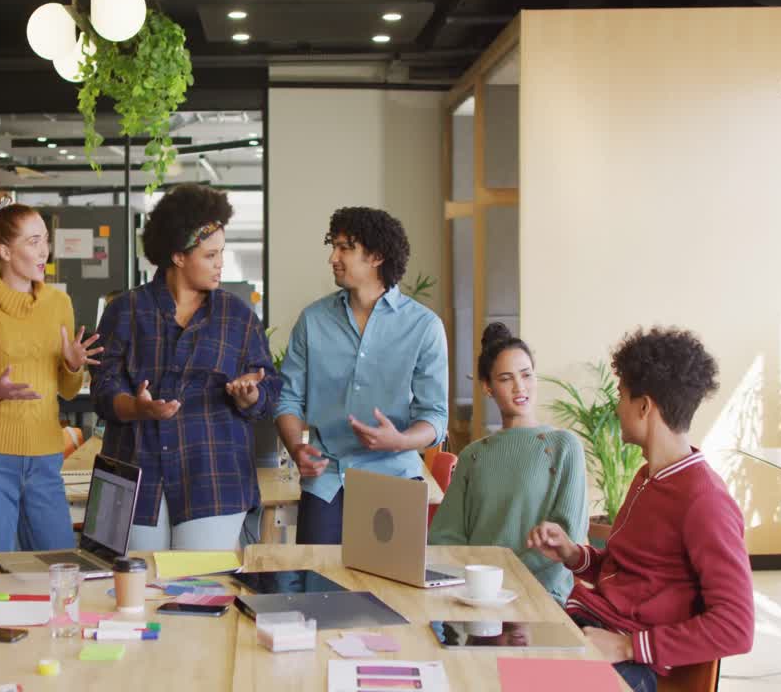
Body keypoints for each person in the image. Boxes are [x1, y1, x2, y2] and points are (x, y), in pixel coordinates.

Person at [526, 327, 754, 692]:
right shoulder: (648, 476)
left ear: (644, 406)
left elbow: (737, 627)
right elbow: (634, 571)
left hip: (633, 663)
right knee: (479, 653)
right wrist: (572, 553)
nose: (616, 408)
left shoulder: (705, 501)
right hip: (591, 624)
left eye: (620, 396)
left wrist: (627, 645)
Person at [92, 184, 280, 550]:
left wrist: (250, 395)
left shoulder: (237, 316)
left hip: (213, 478)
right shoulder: (125, 311)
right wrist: (137, 408)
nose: (220, 263)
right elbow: (102, 390)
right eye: (210, 255)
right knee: (137, 592)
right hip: (137, 475)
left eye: (222, 253)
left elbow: (269, 388)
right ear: (178, 255)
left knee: (202, 592)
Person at [0, 192, 101, 562]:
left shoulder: (59, 304)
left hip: (46, 455)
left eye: (45, 239)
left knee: (60, 566)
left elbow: (65, 390)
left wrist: (74, 367)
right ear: (5, 252)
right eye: (33, 241)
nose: (44, 250)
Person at [274, 206, 448, 544]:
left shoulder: (424, 327)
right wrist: (296, 447)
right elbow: (288, 398)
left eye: (345, 248)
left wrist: (401, 441)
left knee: (391, 593)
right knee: (318, 589)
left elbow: (434, 416)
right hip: (326, 481)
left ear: (377, 256)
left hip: (395, 478)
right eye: (333, 246)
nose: (333, 258)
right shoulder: (313, 320)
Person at [428, 322, 587, 604]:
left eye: (526, 375)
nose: (519, 387)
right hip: (476, 597)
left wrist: (497, 577)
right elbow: (445, 536)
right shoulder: (474, 455)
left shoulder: (564, 447)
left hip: (542, 598)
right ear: (488, 387)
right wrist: (478, 582)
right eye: (505, 378)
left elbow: (567, 536)